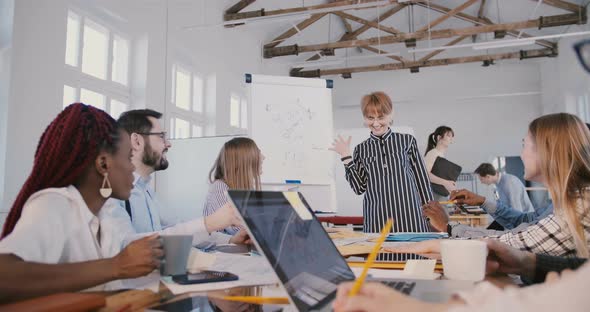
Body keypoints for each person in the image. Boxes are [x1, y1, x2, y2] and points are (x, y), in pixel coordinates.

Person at [0, 104, 162, 303]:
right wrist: (115, 266)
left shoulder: (104, 218)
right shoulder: (55, 205)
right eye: (129, 158)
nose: (131, 168)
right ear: (103, 164)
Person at [390, 113, 590, 258]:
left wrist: (447, 230)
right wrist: (483, 202)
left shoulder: (577, 208)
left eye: (524, 145)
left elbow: (509, 242)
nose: (522, 154)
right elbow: (527, 220)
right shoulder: (568, 200)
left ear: (547, 152)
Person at [116, 109, 248, 245]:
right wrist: (208, 223)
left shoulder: (146, 191)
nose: (168, 144)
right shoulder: (113, 193)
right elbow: (125, 247)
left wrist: (230, 239)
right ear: (137, 141)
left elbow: (176, 229)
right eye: (161, 136)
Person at [330, 91, 433, 233]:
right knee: (381, 254)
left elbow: (422, 181)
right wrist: (346, 157)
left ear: (390, 115)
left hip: (411, 214)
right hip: (377, 217)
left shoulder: (407, 141)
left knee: (412, 253)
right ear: (364, 118)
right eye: (370, 118)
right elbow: (359, 187)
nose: (376, 123)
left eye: (381, 117)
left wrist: (431, 216)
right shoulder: (361, 149)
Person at [203, 137, 264, 235]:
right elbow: (237, 228)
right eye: (258, 153)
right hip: (220, 249)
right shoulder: (219, 188)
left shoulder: (245, 189)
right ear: (244, 160)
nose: (263, 157)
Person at [423, 126, 457, 200]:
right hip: (434, 195)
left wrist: (449, 183)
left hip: (439, 195)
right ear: (439, 138)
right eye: (448, 135)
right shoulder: (433, 153)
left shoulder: (440, 155)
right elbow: (425, 174)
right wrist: (446, 183)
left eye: (452, 136)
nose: (451, 138)